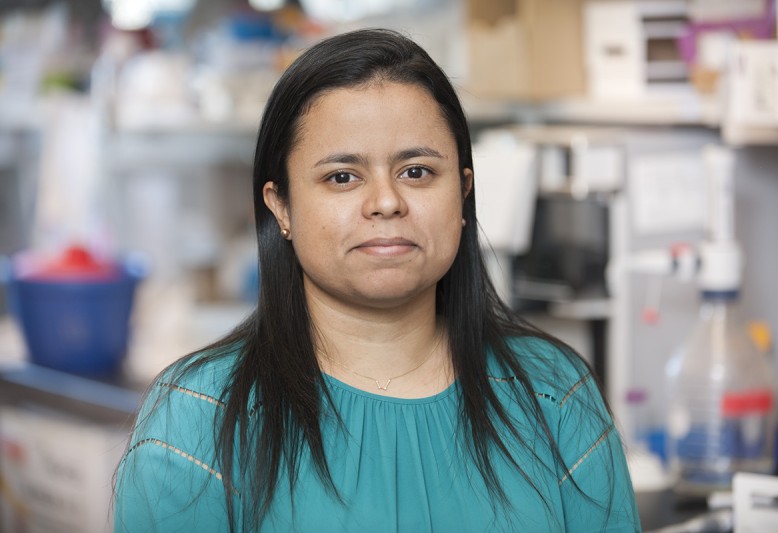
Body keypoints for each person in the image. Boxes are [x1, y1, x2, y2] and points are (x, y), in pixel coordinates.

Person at [114, 28, 640, 532]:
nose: (386, 202)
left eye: (417, 172)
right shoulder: (197, 419)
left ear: (462, 193)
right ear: (281, 207)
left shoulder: (554, 393)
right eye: (342, 177)